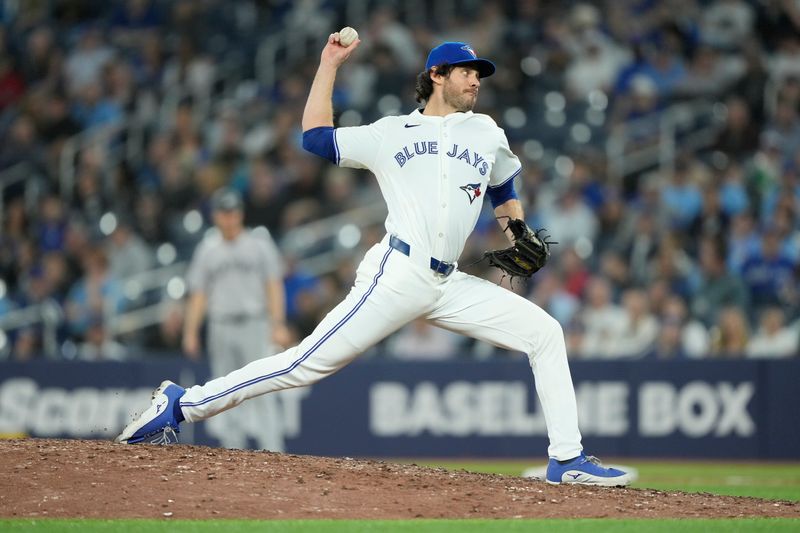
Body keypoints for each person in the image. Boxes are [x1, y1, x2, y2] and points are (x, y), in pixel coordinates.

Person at [116, 35, 631, 486]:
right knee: (303, 364)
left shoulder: (486, 131)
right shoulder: (391, 133)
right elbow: (314, 137)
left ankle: (567, 459)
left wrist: (517, 228)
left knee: (545, 334)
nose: (476, 80)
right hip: (398, 272)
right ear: (436, 75)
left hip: (449, 283)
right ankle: (181, 404)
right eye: (467, 71)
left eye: (480, 73)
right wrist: (329, 66)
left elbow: (503, 184)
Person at [182, 187, 292, 450]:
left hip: (255, 323)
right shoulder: (207, 249)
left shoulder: (258, 244)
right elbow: (198, 294)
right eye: (224, 213)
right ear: (216, 216)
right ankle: (233, 452)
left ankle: (274, 451)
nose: (229, 218)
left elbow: (273, 286)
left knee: (263, 387)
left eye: (233, 213)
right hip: (221, 325)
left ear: (240, 214)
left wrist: (277, 324)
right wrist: (190, 331)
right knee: (225, 390)